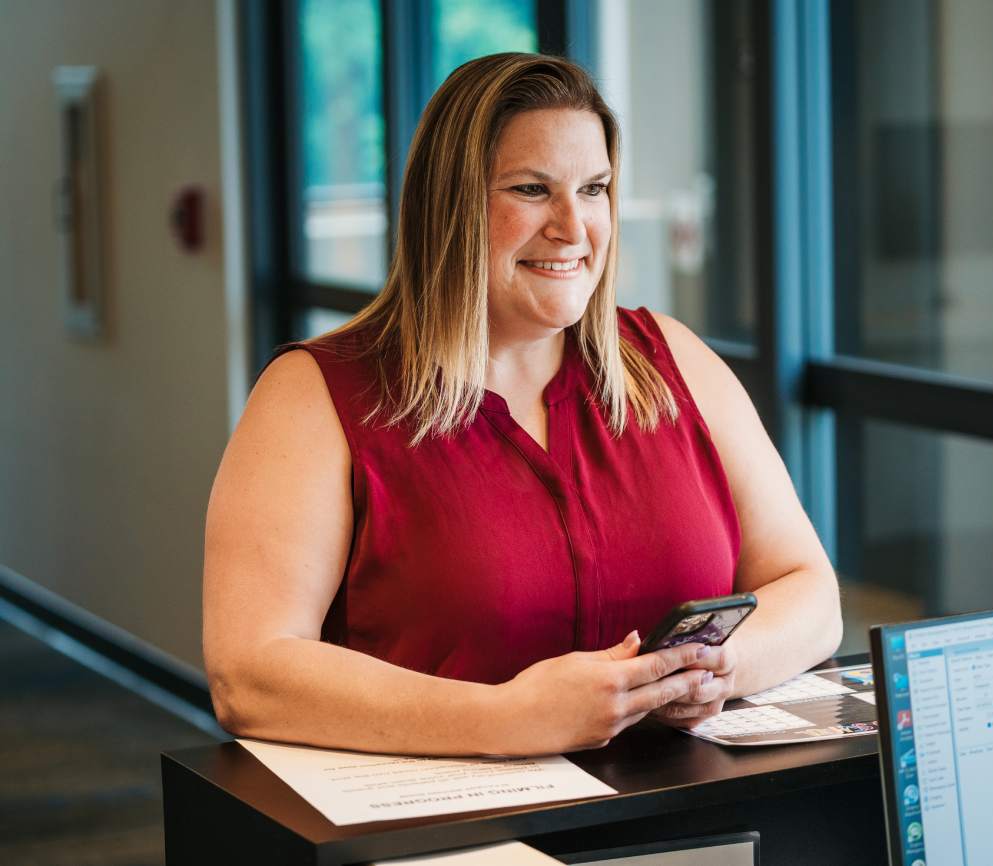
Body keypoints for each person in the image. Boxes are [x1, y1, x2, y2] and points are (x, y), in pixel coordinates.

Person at [202, 53, 841, 757]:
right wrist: (503, 720)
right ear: (449, 207)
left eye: (594, 189)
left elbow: (810, 594)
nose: (573, 227)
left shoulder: (672, 361)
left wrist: (718, 667)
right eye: (533, 190)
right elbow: (250, 673)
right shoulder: (316, 395)